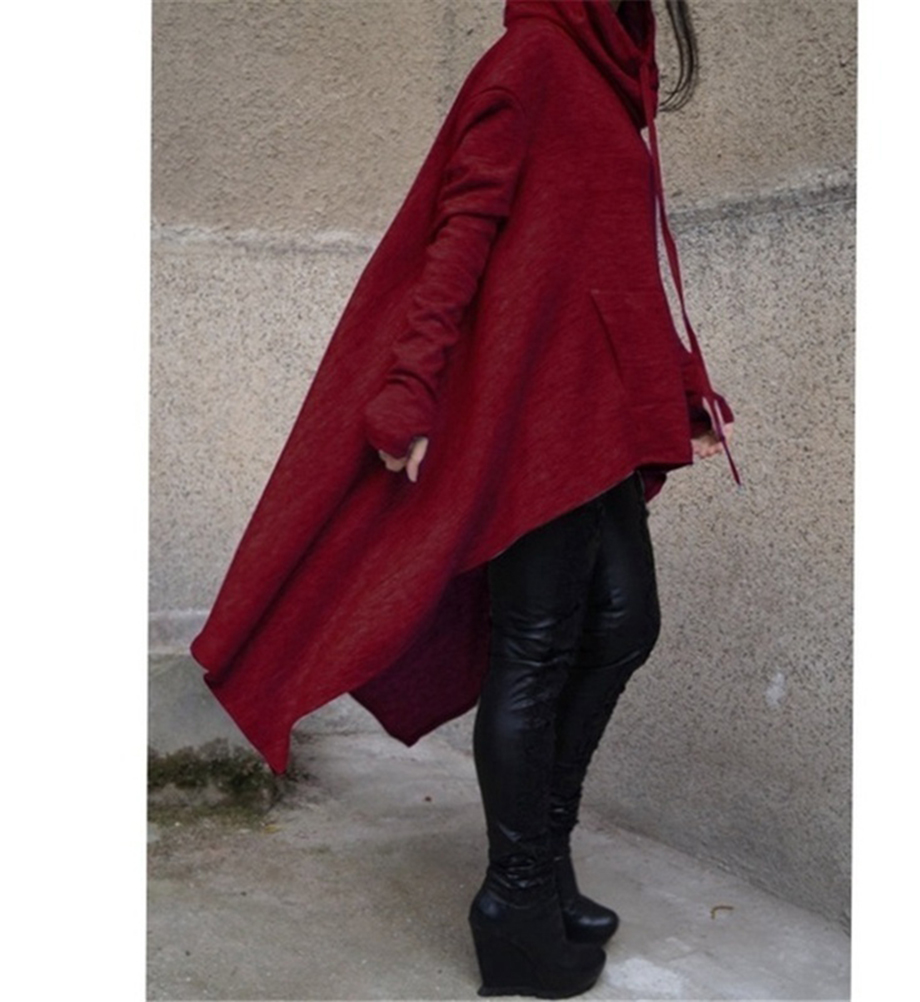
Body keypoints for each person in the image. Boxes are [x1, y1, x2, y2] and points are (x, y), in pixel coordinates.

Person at [191, 1, 736, 997]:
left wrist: (679, 388)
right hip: (537, 418)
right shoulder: (535, 58)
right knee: (540, 643)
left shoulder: (610, 79)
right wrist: (410, 388)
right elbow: (461, 228)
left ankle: (543, 865)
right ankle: (516, 899)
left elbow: (616, 264)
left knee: (625, 624)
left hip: (597, 411)